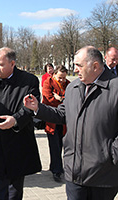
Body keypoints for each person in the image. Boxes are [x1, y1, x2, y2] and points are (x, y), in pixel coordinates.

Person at [24, 46, 118, 200]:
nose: (75, 70)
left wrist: (111, 155)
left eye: (79, 65)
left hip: (104, 176)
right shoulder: (73, 88)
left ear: (95, 66)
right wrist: (38, 108)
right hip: (74, 173)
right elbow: (62, 114)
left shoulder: (115, 88)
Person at [0, 47, 41, 199]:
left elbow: (30, 108)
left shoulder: (29, 81)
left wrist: (15, 120)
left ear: (12, 64)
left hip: (18, 142)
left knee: (15, 189)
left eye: (0, 64)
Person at [42, 65, 70, 183]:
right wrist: (63, 101)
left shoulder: (68, 84)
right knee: (55, 146)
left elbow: (71, 99)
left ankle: (56, 166)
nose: (62, 80)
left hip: (64, 122)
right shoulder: (48, 83)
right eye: (60, 78)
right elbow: (48, 99)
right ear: (54, 75)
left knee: (64, 145)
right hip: (52, 120)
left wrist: (61, 99)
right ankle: (57, 170)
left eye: (64, 78)